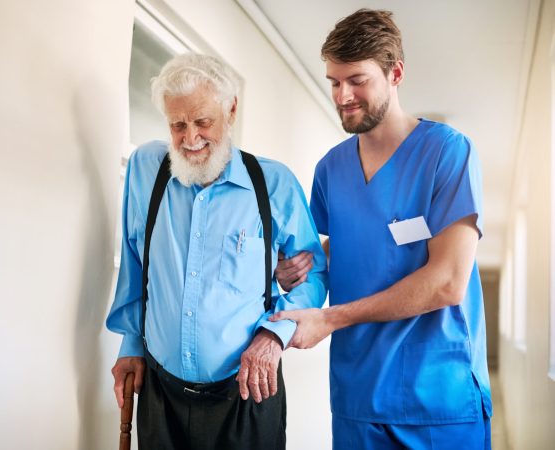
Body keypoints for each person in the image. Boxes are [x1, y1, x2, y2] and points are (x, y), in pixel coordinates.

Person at [272, 9, 493, 449]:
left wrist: (330, 318)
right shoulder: (331, 170)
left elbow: (448, 282)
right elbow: (341, 249)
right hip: (358, 396)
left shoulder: (446, 154)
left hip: (438, 400)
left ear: (396, 73)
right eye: (334, 82)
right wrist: (288, 272)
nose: (343, 95)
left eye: (357, 80)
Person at [106, 52, 327, 449]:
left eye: (203, 122)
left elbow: (312, 276)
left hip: (248, 392)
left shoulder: (274, 184)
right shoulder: (145, 169)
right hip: (161, 392)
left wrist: (274, 336)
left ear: (231, 110)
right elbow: (135, 263)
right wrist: (131, 344)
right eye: (178, 124)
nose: (190, 138)